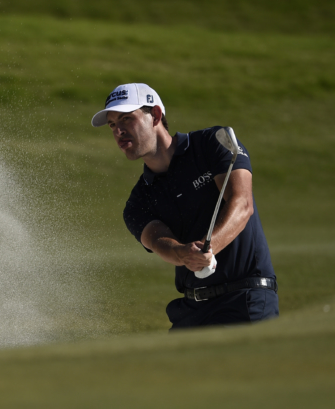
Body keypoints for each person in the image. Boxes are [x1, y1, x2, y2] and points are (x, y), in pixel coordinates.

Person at [91, 83, 279, 329]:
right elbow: (160, 242)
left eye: (126, 119)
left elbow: (242, 204)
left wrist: (209, 248)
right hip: (191, 311)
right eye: (113, 125)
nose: (118, 131)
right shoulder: (137, 203)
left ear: (156, 115)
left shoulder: (212, 143)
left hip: (247, 299)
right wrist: (185, 254)